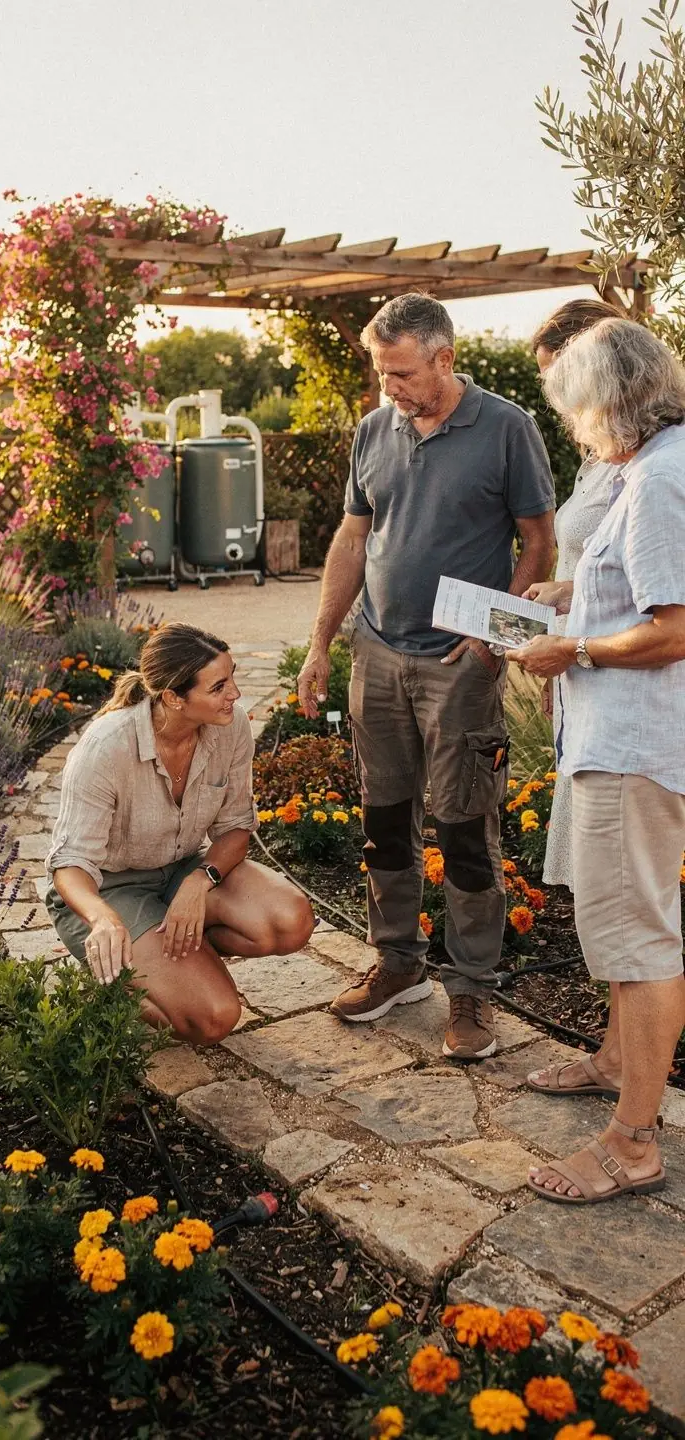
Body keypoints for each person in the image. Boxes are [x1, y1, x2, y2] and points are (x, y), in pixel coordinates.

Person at [298, 292, 556, 1059]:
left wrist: (491, 640)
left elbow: (539, 543)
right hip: (377, 654)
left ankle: (472, 991)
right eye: (382, 374)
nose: (391, 389)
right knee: (384, 821)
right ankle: (398, 962)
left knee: (467, 828)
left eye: (402, 373)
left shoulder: (508, 427)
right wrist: (323, 644)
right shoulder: (375, 429)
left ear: (444, 358)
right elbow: (352, 538)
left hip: (459, 664)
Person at [507, 318, 685, 1203]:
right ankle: (626, 1089)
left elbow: (674, 629)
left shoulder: (659, 477)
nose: (576, 431)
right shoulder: (654, 469)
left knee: (639, 942)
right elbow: (648, 586)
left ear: (611, 399)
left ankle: (633, 1144)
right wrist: (578, 595)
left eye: (576, 413)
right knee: (632, 937)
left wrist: (570, 652)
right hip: (625, 740)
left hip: (632, 743)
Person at [46, 622, 314, 1045]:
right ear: (173, 697)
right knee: (214, 1019)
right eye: (219, 687)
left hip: (182, 870)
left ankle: (175, 960)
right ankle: (125, 974)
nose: (235, 695)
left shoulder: (231, 726)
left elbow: (236, 828)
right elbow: (70, 865)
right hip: (109, 892)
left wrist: (199, 880)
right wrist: (102, 919)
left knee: (289, 922)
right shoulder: (105, 748)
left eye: (234, 677)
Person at [530, 298, 625, 889]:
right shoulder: (597, 456)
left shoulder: (648, 465)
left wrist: (570, 596)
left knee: (621, 893)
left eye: (556, 377)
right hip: (579, 672)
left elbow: (649, 583)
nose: (554, 396)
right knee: (601, 898)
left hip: (616, 684)